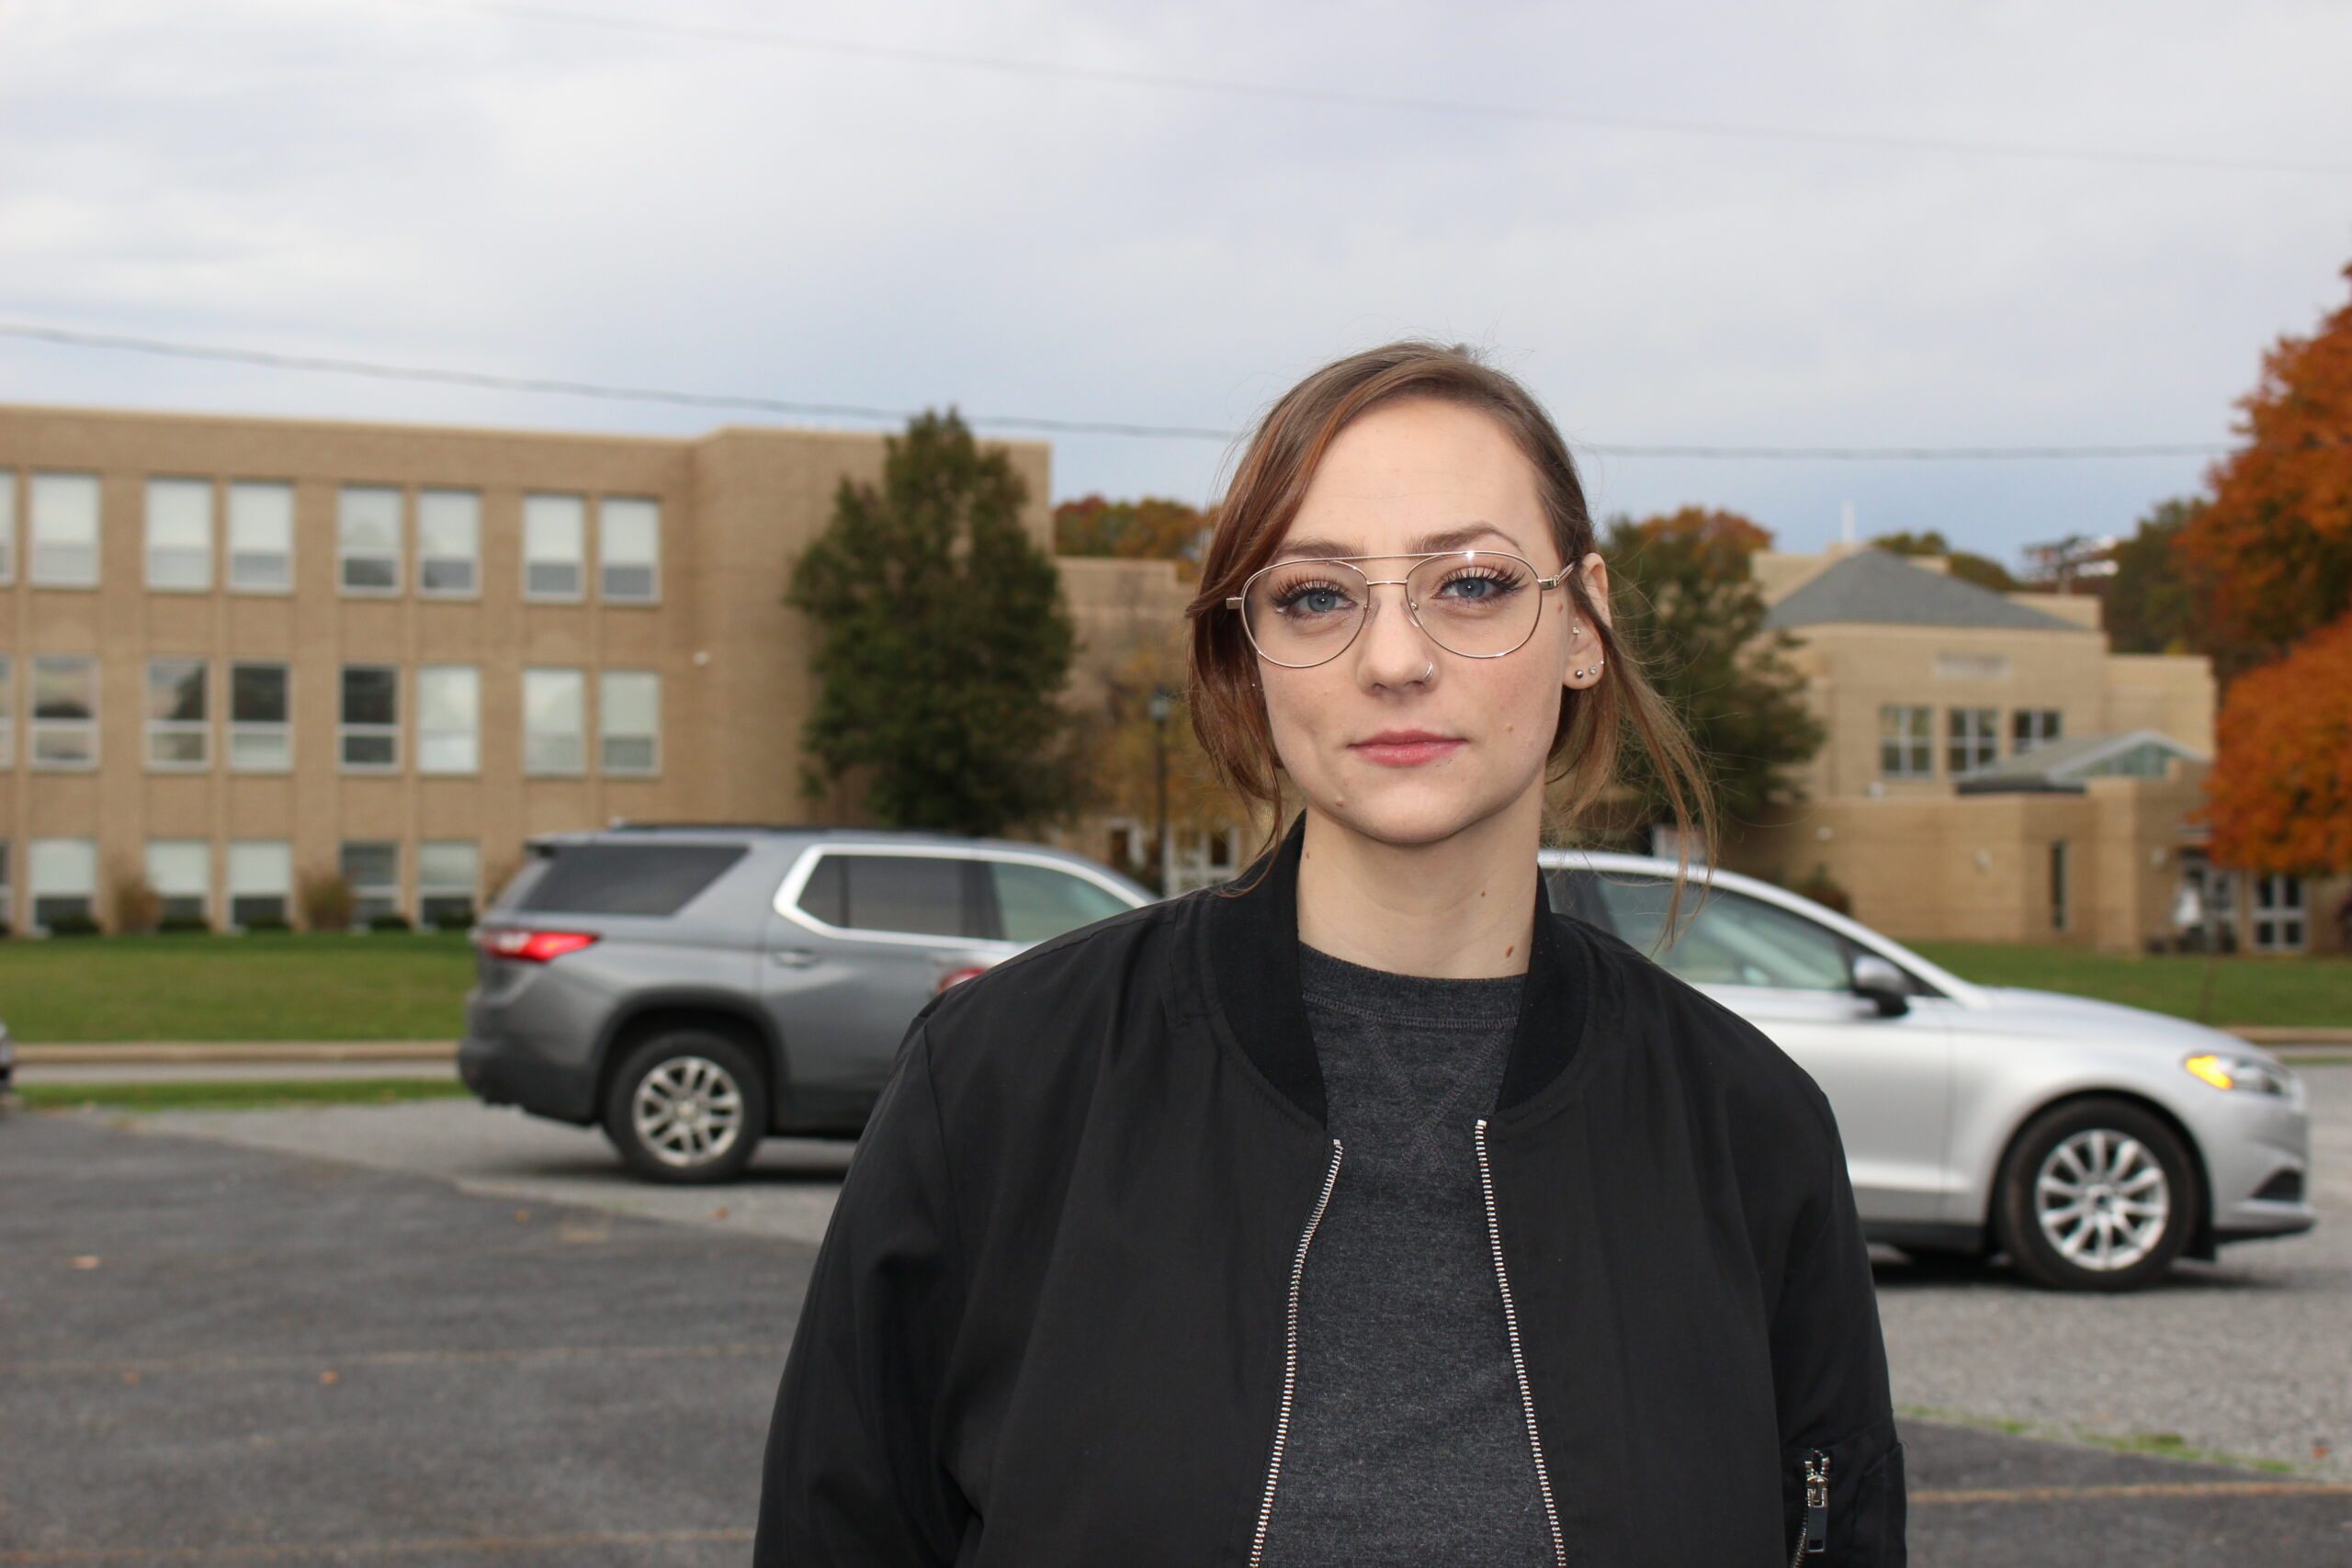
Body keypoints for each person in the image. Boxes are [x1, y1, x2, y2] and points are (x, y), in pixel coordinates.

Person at [755, 343, 1905, 1565]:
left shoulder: (1747, 1125)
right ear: (1249, 657)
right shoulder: (1003, 1079)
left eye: (1469, 583)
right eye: (1316, 594)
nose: (1395, 659)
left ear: (1583, 627)